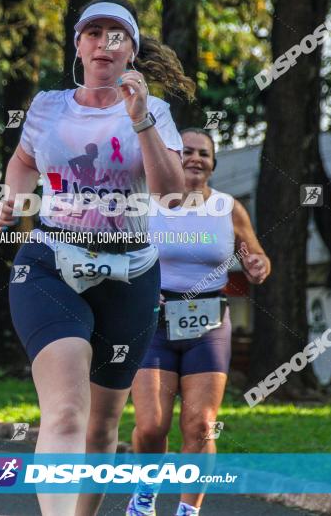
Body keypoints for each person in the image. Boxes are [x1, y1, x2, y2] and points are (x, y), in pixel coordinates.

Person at [0, 0, 195, 516]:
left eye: (116, 34)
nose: (103, 42)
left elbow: (171, 195)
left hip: (131, 273)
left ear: (131, 50)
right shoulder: (47, 107)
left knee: (103, 426)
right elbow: (21, 161)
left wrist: (142, 120)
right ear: (78, 46)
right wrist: (12, 199)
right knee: (65, 412)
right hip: (51, 261)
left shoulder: (158, 114)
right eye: (92, 32)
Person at [126, 128, 271, 516]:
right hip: (151, 321)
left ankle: (188, 511)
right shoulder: (144, 204)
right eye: (186, 151)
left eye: (203, 154)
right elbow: (118, 256)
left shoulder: (228, 208)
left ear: (212, 163)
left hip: (207, 323)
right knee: (153, 426)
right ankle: (144, 494)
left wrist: (257, 265)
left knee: (201, 424)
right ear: (171, 158)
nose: (194, 158)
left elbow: (255, 256)